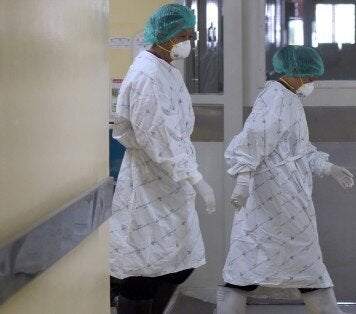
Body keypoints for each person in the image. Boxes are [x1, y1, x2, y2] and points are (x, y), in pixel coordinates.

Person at [218, 45, 355, 314]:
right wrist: (243, 182)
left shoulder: (288, 98)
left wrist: (328, 167)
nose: (312, 83)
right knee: (298, 262)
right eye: (310, 77)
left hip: (286, 194)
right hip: (276, 195)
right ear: (294, 73)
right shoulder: (277, 99)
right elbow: (250, 142)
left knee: (249, 265)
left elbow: (298, 149)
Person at [109, 4, 216, 313]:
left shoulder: (164, 69)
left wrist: (187, 176)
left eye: (191, 35)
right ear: (163, 36)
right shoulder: (148, 75)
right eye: (183, 35)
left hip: (167, 182)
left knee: (178, 263)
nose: (189, 42)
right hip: (148, 182)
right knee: (143, 269)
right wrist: (197, 179)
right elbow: (158, 136)